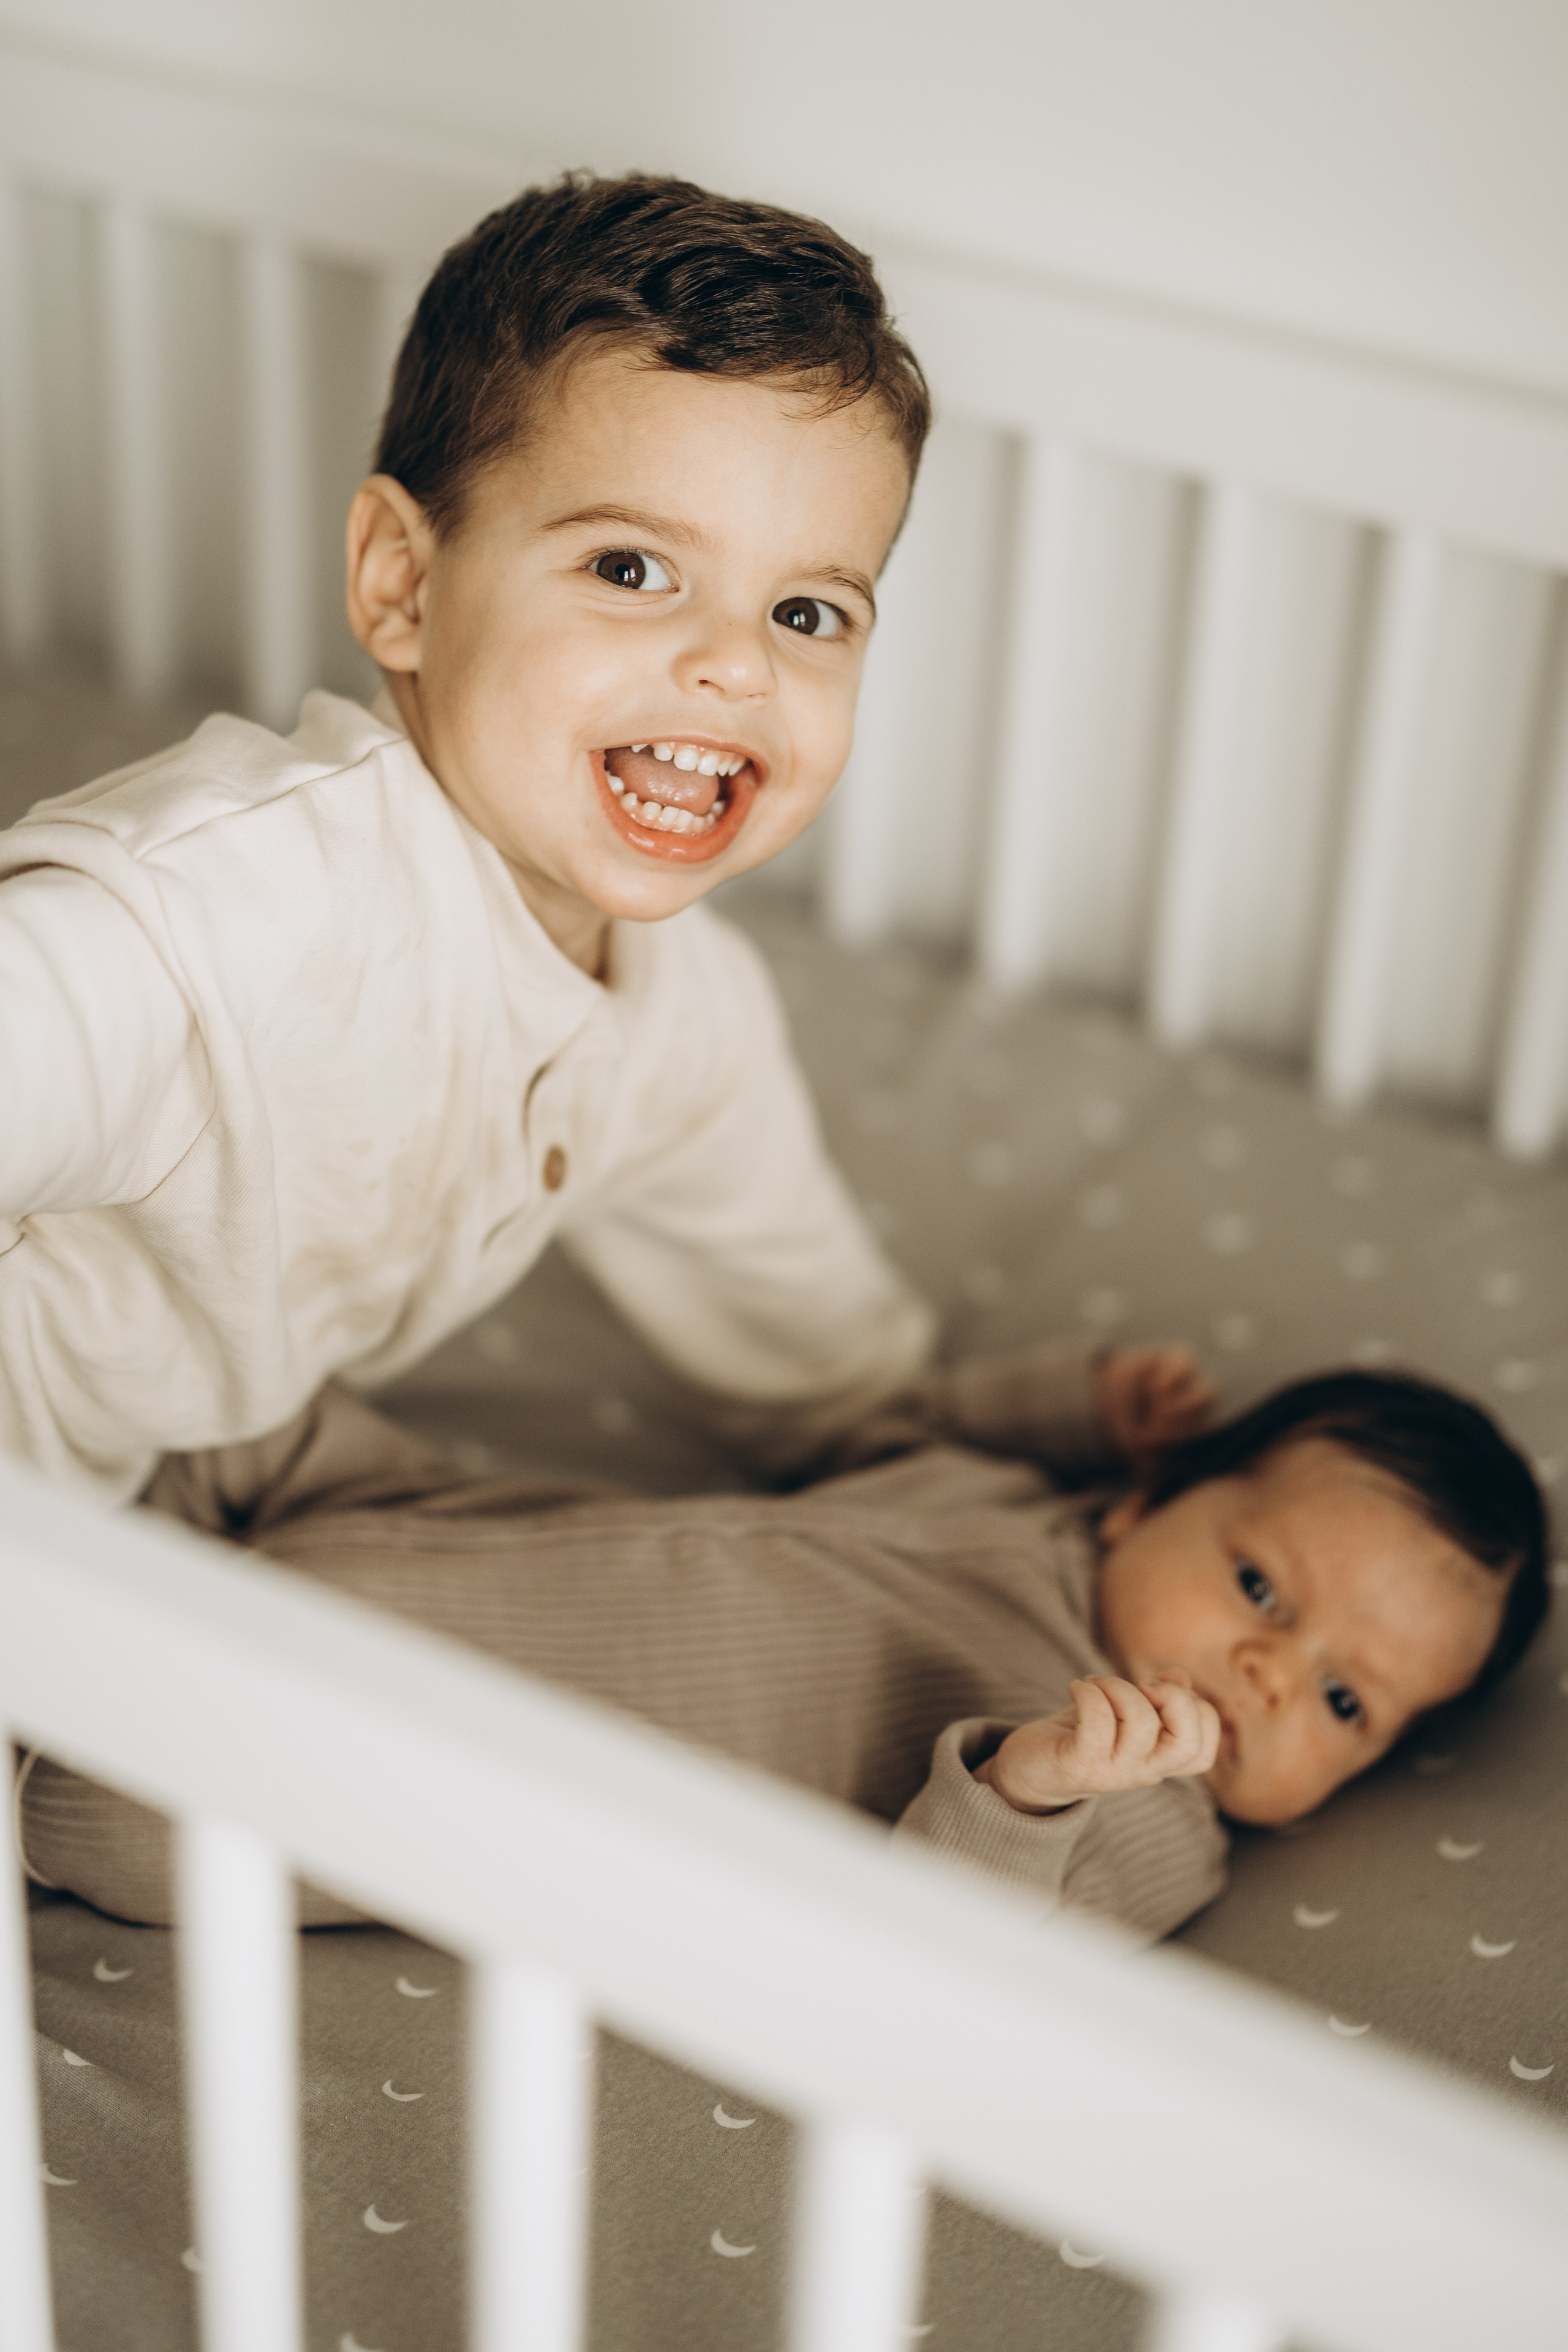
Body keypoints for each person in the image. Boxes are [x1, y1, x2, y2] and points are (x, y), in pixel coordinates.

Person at [0, 171, 943, 1505]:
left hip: (135, 1529)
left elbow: (824, 1365)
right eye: (630, 570)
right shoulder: (211, 930)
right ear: (404, 582)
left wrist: (1002, 1461)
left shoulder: (684, 1019)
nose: (736, 666)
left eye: (806, 614)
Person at [18, 1346, 1547, 1944]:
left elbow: (946, 1952)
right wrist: (1067, 1409)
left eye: (1343, 1702)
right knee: (225, 1401)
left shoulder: (1144, 1822)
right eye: (1263, 1591)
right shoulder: (1015, 1494)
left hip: (457, 1741)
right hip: (458, 1525)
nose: (1270, 1677)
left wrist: (1026, 1791)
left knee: (138, 1808)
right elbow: (892, 1422)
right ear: (1142, 1501)